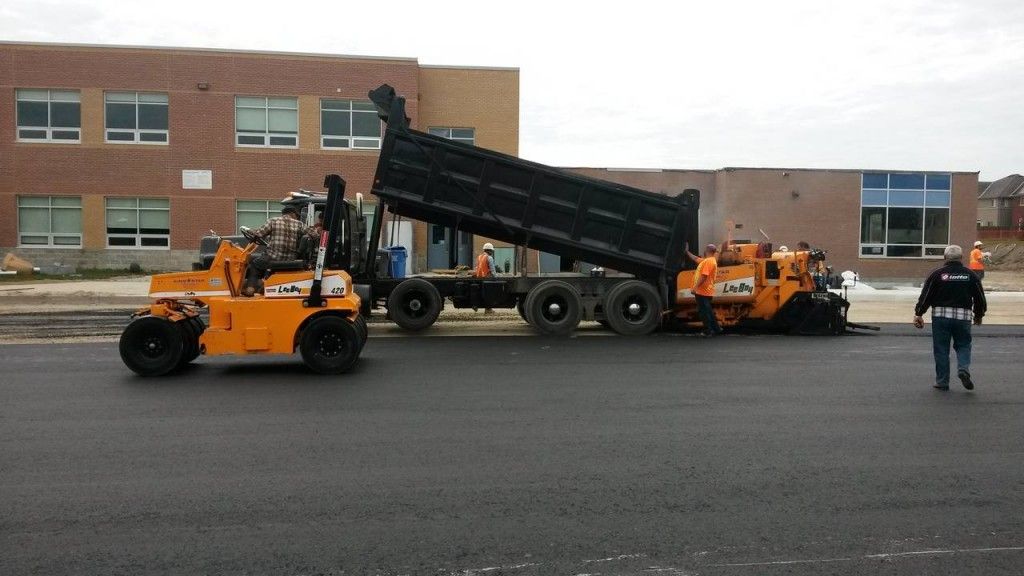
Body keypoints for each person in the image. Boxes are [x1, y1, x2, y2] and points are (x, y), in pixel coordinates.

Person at [913, 244, 987, 391]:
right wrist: (979, 314)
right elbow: (980, 298)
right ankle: (963, 368)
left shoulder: (937, 274)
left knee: (941, 349)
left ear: (945, 258)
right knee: (963, 345)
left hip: (940, 317)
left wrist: (919, 313)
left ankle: (942, 381)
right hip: (963, 317)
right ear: (961, 258)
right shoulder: (970, 275)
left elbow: (926, 296)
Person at [243, 205, 308, 296]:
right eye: (296, 215)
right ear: (292, 214)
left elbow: (258, 234)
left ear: (283, 214)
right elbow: (313, 234)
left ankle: (250, 289)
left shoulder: (273, 221)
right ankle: (264, 287)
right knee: (265, 263)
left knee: (255, 265)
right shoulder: (299, 224)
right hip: (290, 259)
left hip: (273, 258)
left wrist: (250, 231)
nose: (297, 217)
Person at [686, 243, 722, 336]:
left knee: (704, 313)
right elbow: (695, 258)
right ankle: (716, 329)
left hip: (703, 291)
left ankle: (708, 331)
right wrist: (687, 252)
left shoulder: (708, 262)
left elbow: (704, 276)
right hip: (705, 291)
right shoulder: (708, 261)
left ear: (707, 251)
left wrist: (695, 287)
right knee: (708, 311)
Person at [474, 242, 497, 313]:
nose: (492, 252)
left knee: (481, 293)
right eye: (492, 251)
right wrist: (496, 277)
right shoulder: (489, 258)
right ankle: (488, 309)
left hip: (479, 277)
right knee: (490, 293)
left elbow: (477, 268)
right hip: (487, 278)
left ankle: (477, 305)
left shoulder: (479, 257)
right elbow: (493, 271)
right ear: (489, 250)